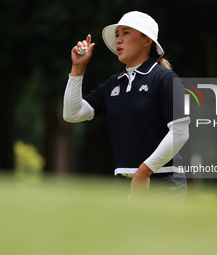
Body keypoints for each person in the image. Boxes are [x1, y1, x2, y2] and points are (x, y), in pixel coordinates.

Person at [63, 11, 190, 198]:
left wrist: (145, 170)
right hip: (123, 182)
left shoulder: (165, 79)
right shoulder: (114, 84)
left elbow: (180, 131)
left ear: (147, 41)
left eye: (126, 32)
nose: (118, 40)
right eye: (117, 35)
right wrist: (78, 69)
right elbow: (72, 114)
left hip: (164, 181)